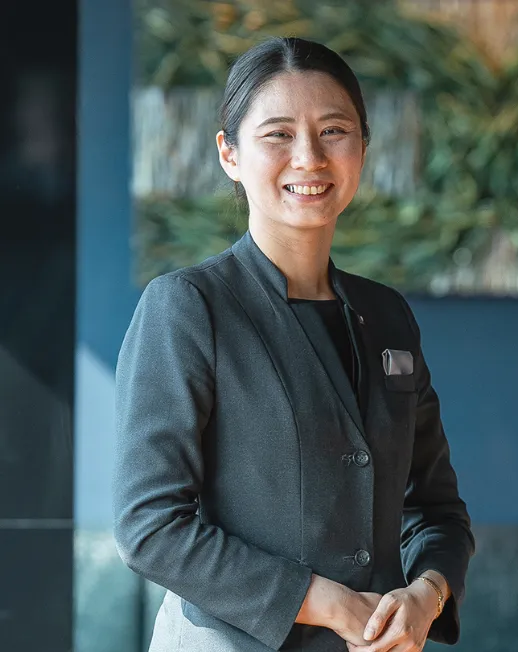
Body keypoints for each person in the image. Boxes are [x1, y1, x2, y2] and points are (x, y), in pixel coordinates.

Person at [113, 37, 475, 652]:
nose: (309, 157)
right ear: (230, 154)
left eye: (333, 131)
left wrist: (428, 594)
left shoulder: (388, 316)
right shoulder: (188, 306)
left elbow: (435, 509)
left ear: (363, 147)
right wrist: (324, 601)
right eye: (278, 134)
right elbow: (149, 526)